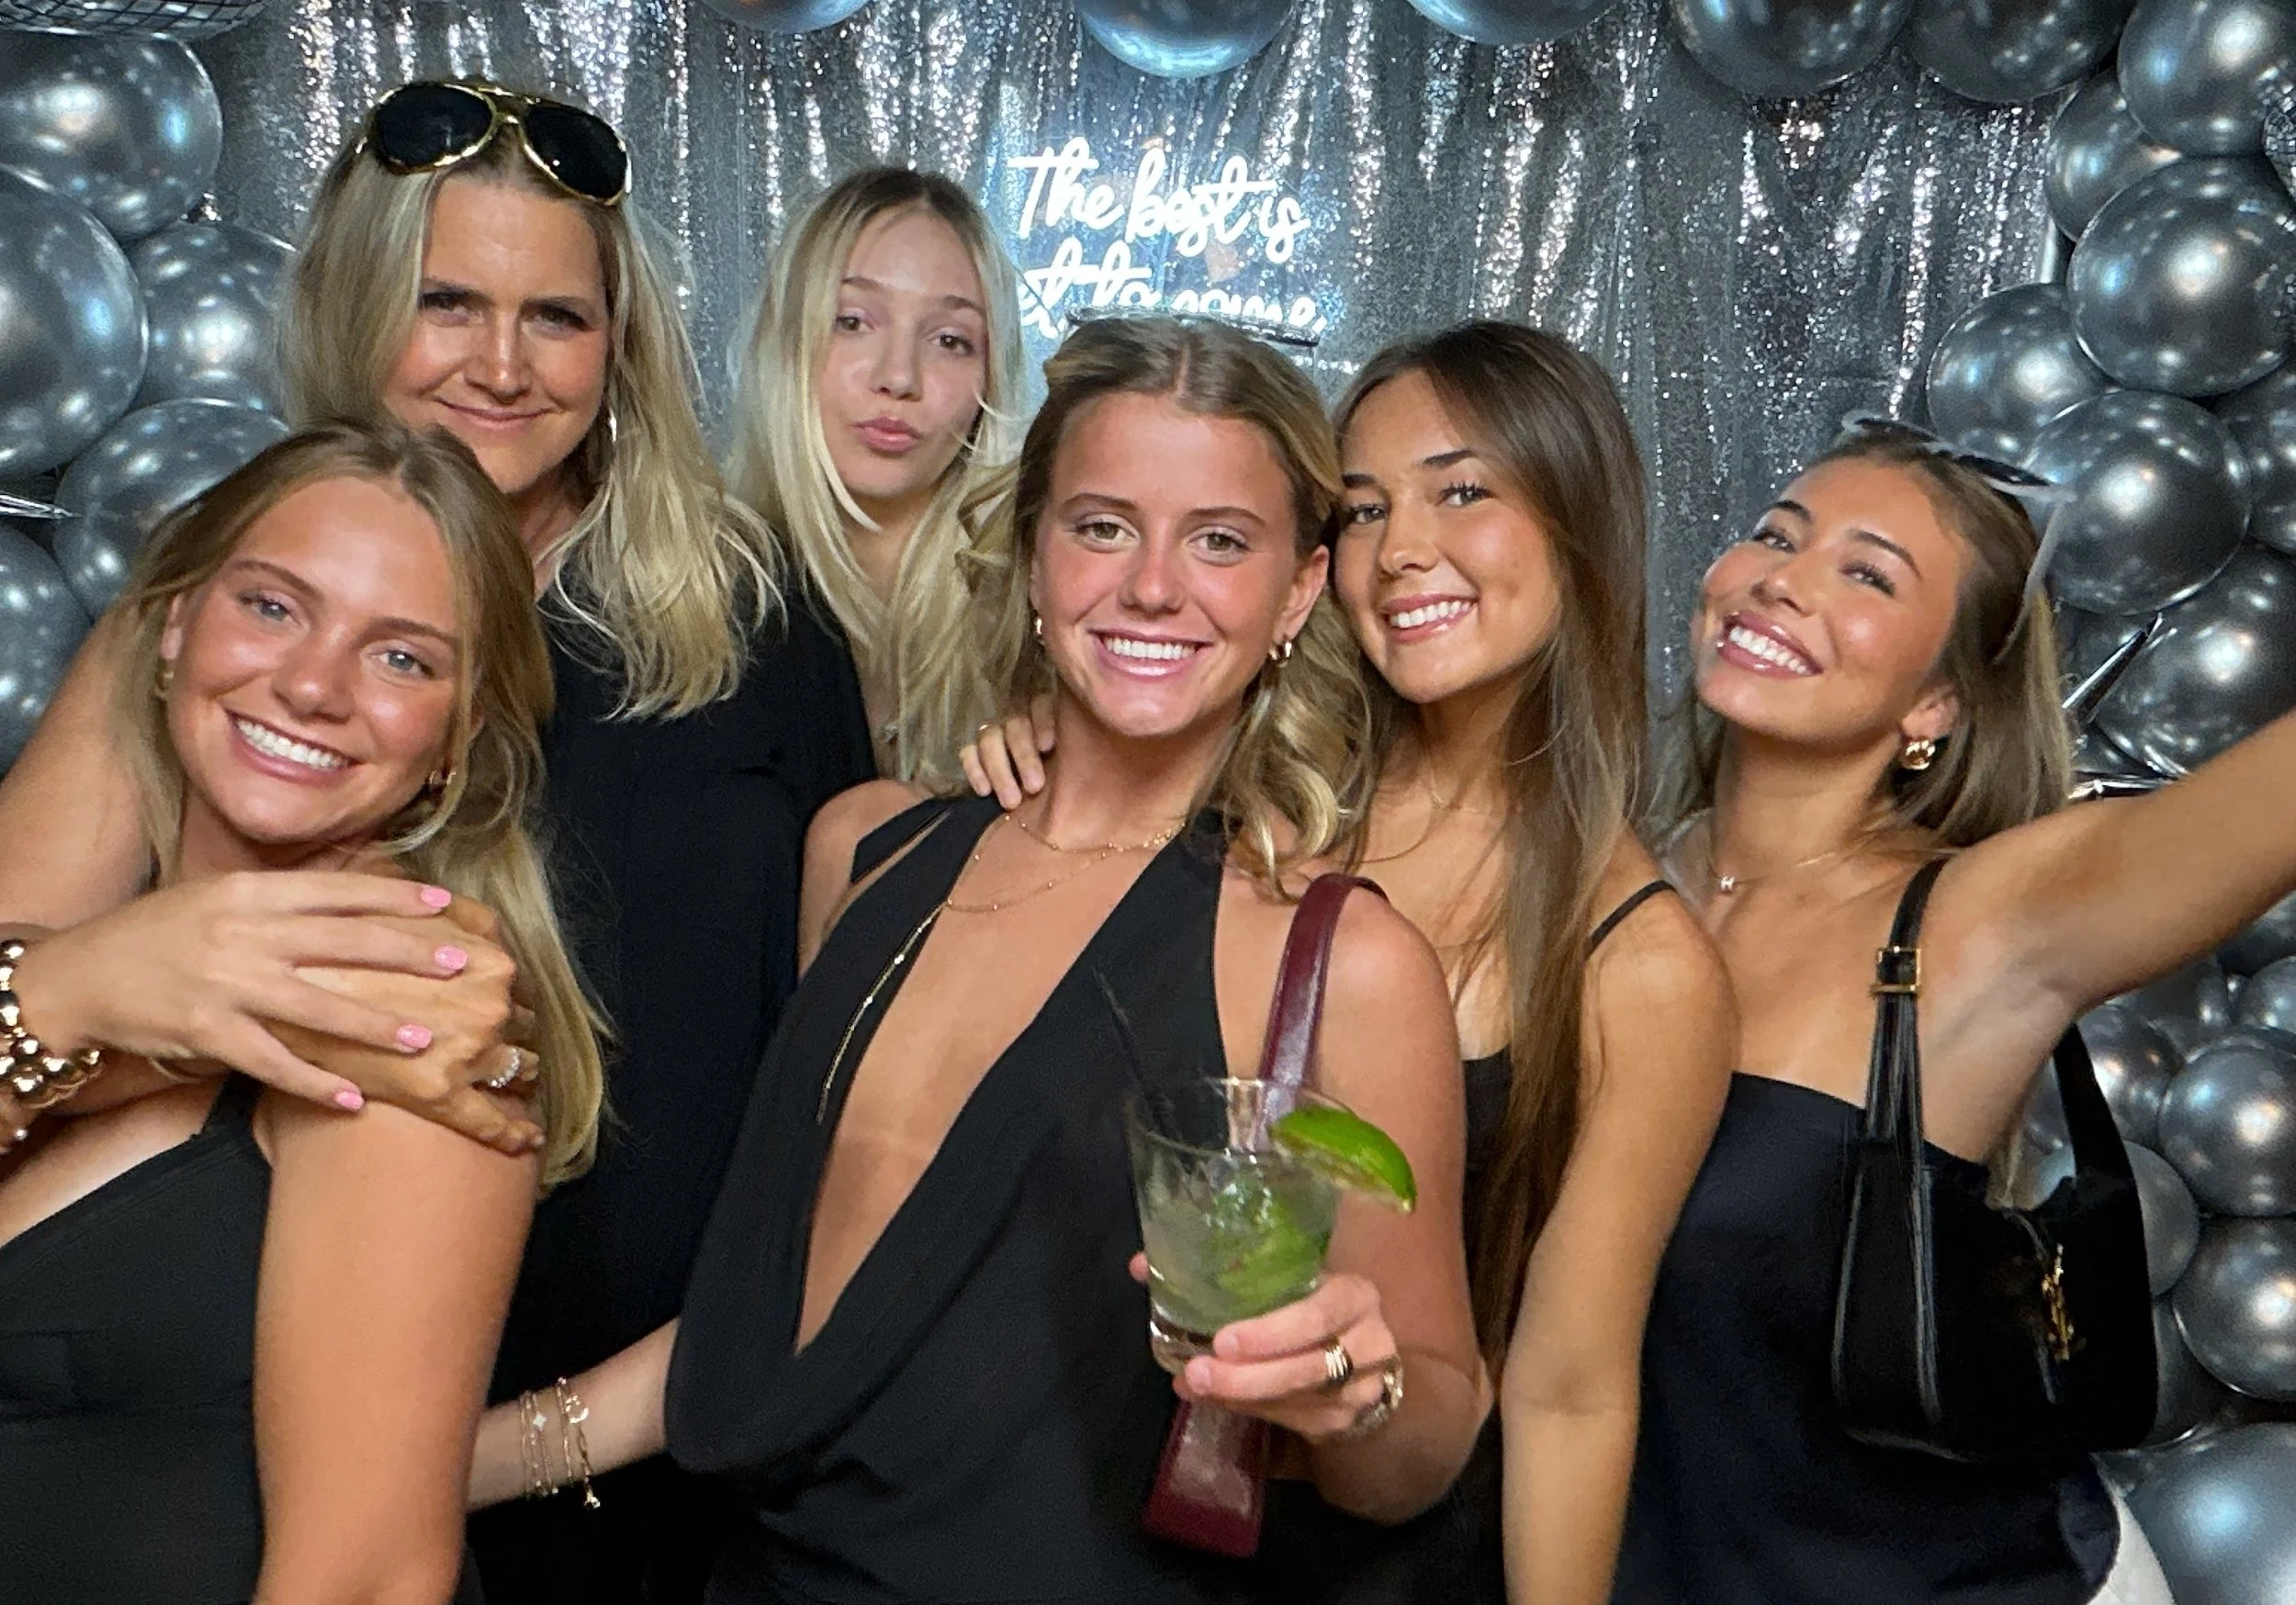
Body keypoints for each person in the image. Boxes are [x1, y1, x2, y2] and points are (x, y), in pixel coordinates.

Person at [0, 79, 877, 1605]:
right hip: (225, 1409)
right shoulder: (214, 611)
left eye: (556, 317)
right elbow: (30, 950)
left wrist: (552, 1439)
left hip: (646, 1453)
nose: (499, 365)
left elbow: (845, 1099)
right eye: (446, 302)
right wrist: (104, 976)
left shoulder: (759, 625)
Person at [473, 315, 1488, 1601]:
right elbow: (764, 1328)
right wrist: (438, 1462)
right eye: (1103, 524)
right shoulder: (866, 854)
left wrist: (1353, 1386)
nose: (1153, 585)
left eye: (1220, 539)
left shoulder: (1335, 958)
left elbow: (1427, 1442)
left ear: (1298, 589)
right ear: (1031, 555)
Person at [967, 322, 1736, 1604]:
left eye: (1462, 489)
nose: (1404, 550)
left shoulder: (1639, 963)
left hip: (1375, 1550)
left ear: (1580, 514)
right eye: (1366, 507)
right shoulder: (1263, 788)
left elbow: (1569, 1384)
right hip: (1090, 1504)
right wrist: (1042, 736)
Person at [1612, 419, 2243, 1603]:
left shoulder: (1979, 919)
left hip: (1976, 1582)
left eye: (1864, 573)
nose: (1783, 580)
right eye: (1773, 536)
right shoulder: (1618, 878)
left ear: (1938, 703)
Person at [0, 421, 607, 1604]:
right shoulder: (87, 961)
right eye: (273, 608)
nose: (315, 686)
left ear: (454, 740)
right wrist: (76, 994)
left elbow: (369, 1579)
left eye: (403, 661)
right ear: (169, 628)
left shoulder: (412, 1012)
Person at [729, 165, 1026, 780]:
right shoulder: (696, 599)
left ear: (990, 375)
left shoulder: (1037, 622)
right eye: (853, 321)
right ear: (787, 339)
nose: (898, 376)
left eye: (949, 339)